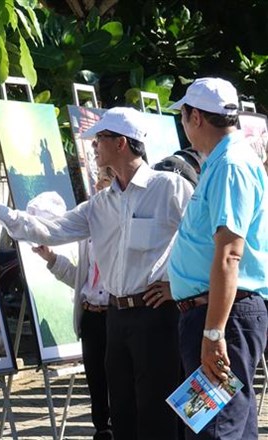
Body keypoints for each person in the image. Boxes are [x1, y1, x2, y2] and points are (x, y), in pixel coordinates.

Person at [0, 107, 193, 440]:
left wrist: (178, 285)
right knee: (121, 408)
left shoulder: (169, 188)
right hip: (115, 318)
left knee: (157, 410)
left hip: (156, 316)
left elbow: (204, 239)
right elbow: (48, 229)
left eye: (99, 139)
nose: (92, 147)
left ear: (121, 143)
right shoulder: (100, 203)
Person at [167, 77, 268, 440]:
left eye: (182, 115)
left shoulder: (230, 164)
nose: (182, 124)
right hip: (217, 315)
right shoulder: (222, 161)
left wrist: (213, 333)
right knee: (225, 427)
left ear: (195, 117)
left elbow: (229, 255)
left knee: (213, 430)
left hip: (222, 317)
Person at [32, 166, 115, 440]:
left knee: (122, 389)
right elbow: (82, 281)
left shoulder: (124, 228)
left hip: (119, 316)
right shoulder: (89, 227)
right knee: (98, 388)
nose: (99, 189)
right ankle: (102, 431)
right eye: (98, 183)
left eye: (106, 182)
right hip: (91, 317)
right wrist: (52, 259)